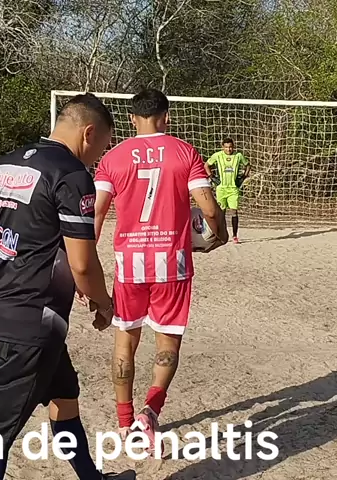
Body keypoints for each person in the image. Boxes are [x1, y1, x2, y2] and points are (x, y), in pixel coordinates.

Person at [0, 93, 135, 480]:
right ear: (88, 133)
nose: (98, 157)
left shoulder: (2, 165)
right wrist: (104, 302)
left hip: (13, 311)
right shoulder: (72, 176)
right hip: (33, 323)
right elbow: (82, 262)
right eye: (103, 146)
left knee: (64, 398)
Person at [92, 88, 228, 453]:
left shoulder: (113, 158)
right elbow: (208, 209)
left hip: (129, 266)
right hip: (173, 264)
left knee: (125, 341)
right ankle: (150, 411)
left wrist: (85, 263)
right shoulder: (185, 152)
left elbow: (97, 213)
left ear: (132, 119)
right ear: (166, 117)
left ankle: (124, 424)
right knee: (167, 343)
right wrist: (219, 233)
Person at [205, 137, 249, 243]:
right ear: (222, 147)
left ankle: (235, 236)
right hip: (221, 189)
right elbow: (206, 165)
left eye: (230, 147)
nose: (228, 149)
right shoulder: (217, 155)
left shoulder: (238, 156)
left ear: (233, 147)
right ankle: (221, 234)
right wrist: (212, 177)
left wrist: (243, 177)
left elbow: (247, 165)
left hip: (233, 189)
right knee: (221, 213)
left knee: (234, 211)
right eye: (226, 147)